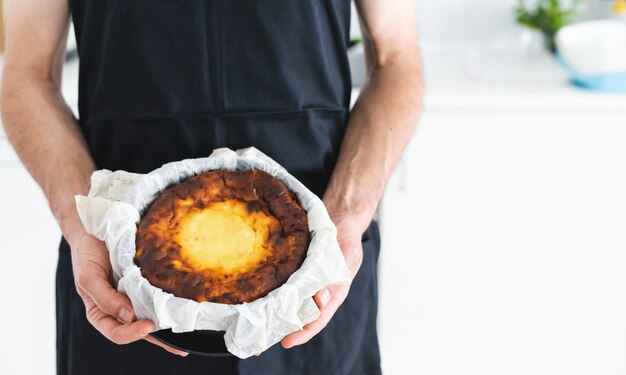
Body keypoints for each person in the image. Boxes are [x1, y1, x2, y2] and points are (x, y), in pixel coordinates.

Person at [0, 0, 423, 374]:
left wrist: (347, 214)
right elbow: (27, 74)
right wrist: (84, 228)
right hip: (121, 284)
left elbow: (396, 58)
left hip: (314, 289)